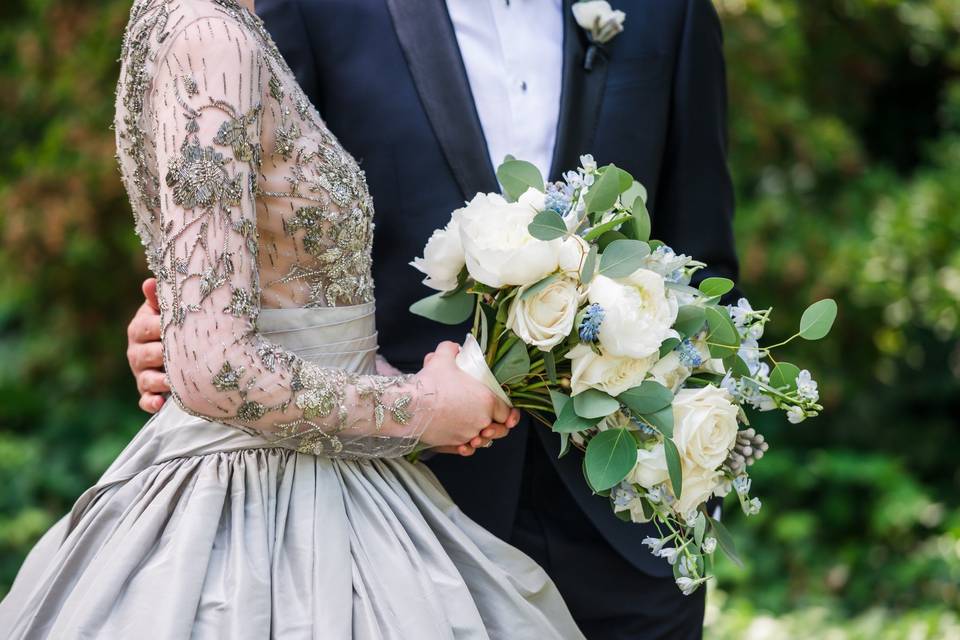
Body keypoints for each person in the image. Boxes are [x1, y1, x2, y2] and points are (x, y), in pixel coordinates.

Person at [124, 0, 740, 638]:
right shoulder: (297, 11)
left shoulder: (670, 11)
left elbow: (702, 264)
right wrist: (183, 324)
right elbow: (253, 216)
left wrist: (691, 473)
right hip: (397, 519)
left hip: (625, 538)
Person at [0, 1, 589, 637]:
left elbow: (269, 316)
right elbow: (215, 366)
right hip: (263, 511)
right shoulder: (209, 39)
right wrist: (417, 405)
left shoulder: (213, 24)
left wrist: (436, 396)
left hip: (329, 476)